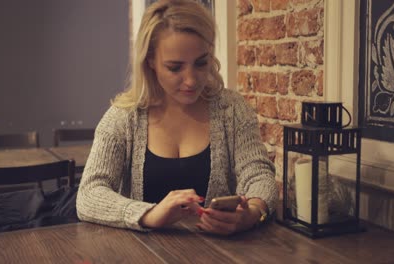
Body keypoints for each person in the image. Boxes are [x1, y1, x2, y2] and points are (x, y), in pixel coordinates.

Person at [76, 0, 278, 235]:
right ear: (150, 60)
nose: (191, 80)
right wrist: (148, 214)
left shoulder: (231, 109)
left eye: (201, 63)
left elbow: (259, 175)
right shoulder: (124, 117)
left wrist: (253, 211)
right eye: (175, 67)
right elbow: (89, 194)